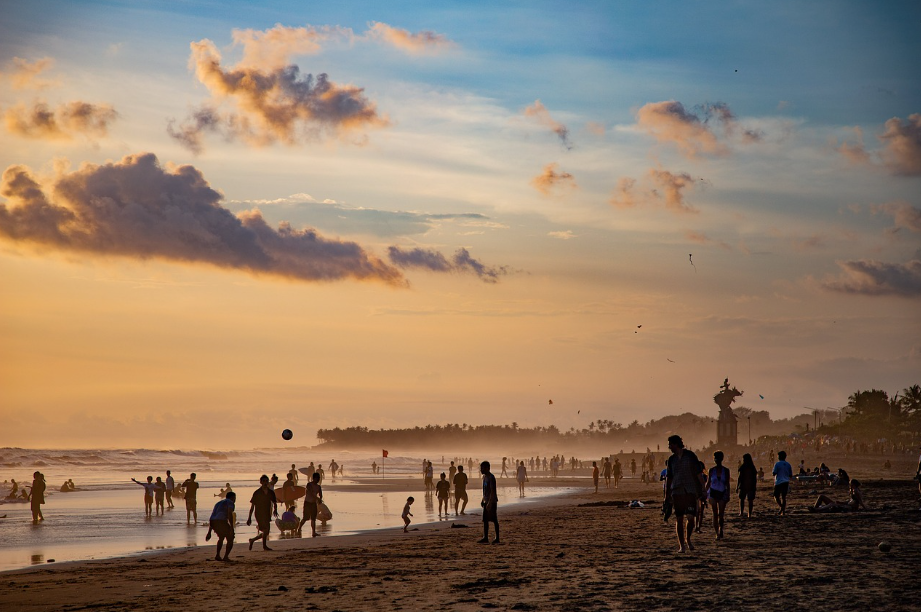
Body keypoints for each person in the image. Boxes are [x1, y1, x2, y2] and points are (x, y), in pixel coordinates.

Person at [664, 435, 705, 553]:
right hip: (677, 491)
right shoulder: (671, 460)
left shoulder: (690, 456)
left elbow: (698, 473)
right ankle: (681, 545)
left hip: (690, 490)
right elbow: (669, 478)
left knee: (691, 518)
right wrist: (667, 495)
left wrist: (703, 488)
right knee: (679, 518)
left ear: (676, 444)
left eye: (671, 444)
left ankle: (688, 539)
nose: (669, 447)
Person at [248, 475, 278, 551]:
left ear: (268, 482)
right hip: (259, 513)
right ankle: (264, 546)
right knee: (265, 529)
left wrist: (275, 510)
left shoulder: (271, 492)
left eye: (266, 481)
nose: (265, 483)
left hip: (267, 513)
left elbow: (274, 502)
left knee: (266, 531)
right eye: (263, 481)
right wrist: (249, 518)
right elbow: (252, 506)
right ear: (260, 482)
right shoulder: (257, 493)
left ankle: (252, 540)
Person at [206, 491, 236, 561]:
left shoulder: (218, 503)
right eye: (235, 498)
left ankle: (218, 555)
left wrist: (209, 532)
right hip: (221, 521)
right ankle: (225, 557)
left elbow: (212, 516)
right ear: (233, 498)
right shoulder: (230, 502)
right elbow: (229, 514)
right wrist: (232, 527)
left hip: (213, 522)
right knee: (230, 538)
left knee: (221, 537)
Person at [707, 451, 731, 540]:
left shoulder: (726, 470)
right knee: (714, 513)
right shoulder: (711, 470)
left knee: (721, 514)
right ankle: (717, 532)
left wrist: (728, 494)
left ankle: (721, 529)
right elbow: (708, 482)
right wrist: (704, 492)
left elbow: (727, 483)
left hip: (722, 492)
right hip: (713, 492)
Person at [479, 461, 500, 544]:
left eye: (483, 468)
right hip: (486, 500)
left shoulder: (491, 477)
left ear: (488, 468)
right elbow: (485, 491)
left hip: (492, 501)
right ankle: (485, 537)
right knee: (485, 520)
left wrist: (490, 503)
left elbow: (492, 491)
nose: (481, 470)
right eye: (481, 468)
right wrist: (482, 500)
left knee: (494, 519)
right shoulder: (484, 477)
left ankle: (497, 538)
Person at [298, 473, 323, 537]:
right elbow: (311, 493)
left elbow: (320, 495)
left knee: (313, 518)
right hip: (307, 503)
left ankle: (313, 532)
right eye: (317, 478)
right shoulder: (309, 485)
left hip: (313, 503)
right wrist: (318, 498)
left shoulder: (318, 487)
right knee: (305, 518)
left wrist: (320, 499)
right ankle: (299, 528)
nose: (318, 480)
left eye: (319, 478)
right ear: (314, 478)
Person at [772, 450, 793, 516]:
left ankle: (781, 507)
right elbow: (790, 475)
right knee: (783, 497)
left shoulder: (777, 464)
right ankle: (783, 511)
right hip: (786, 482)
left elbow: (774, 473)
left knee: (776, 496)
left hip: (778, 482)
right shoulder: (788, 464)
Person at [737, 453, 758, 517]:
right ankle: (749, 514)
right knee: (750, 500)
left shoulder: (743, 467)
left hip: (744, 485)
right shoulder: (752, 467)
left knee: (742, 499)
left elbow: (739, 477)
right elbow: (755, 478)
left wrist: (737, 486)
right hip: (750, 486)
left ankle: (741, 512)